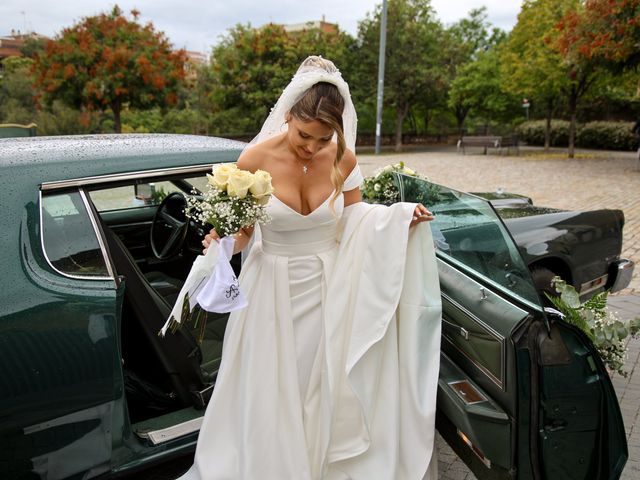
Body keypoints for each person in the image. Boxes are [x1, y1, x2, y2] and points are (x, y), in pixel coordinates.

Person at [178, 56, 441, 480]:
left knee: (323, 383)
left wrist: (398, 219)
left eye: (323, 139)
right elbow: (245, 233)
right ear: (288, 116)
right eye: (305, 135)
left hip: (329, 286)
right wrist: (223, 240)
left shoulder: (344, 159)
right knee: (272, 388)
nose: (312, 148)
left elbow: (355, 219)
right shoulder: (254, 158)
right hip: (271, 288)